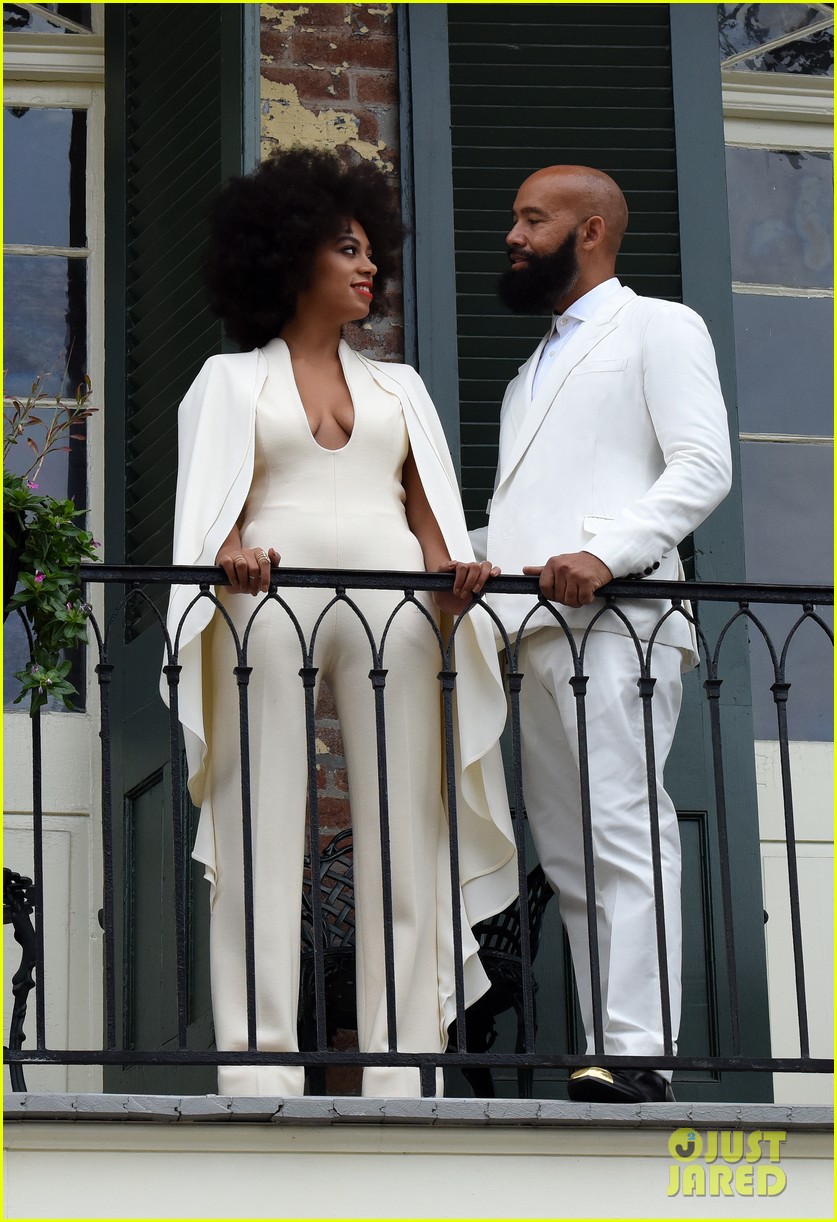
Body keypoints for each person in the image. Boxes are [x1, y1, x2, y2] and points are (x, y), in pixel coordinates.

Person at [161, 147, 517, 1098]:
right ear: (288, 259)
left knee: (406, 827)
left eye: (372, 253)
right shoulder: (228, 381)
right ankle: (258, 1067)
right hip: (264, 597)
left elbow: (434, 526)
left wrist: (460, 574)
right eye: (347, 250)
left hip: (396, 599)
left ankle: (402, 1065)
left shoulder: (403, 389)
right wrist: (230, 551)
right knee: (257, 824)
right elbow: (214, 506)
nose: (368, 269)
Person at [479, 165, 732, 1103]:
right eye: (514, 218)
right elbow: (525, 517)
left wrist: (609, 549)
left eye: (530, 219)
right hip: (535, 633)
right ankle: (606, 1044)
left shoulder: (658, 326)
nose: (512, 234)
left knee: (624, 826)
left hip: (621, 619)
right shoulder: (524, 373)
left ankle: (638, 1052)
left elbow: (702, 465)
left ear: (588, 230)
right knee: (575, 849)